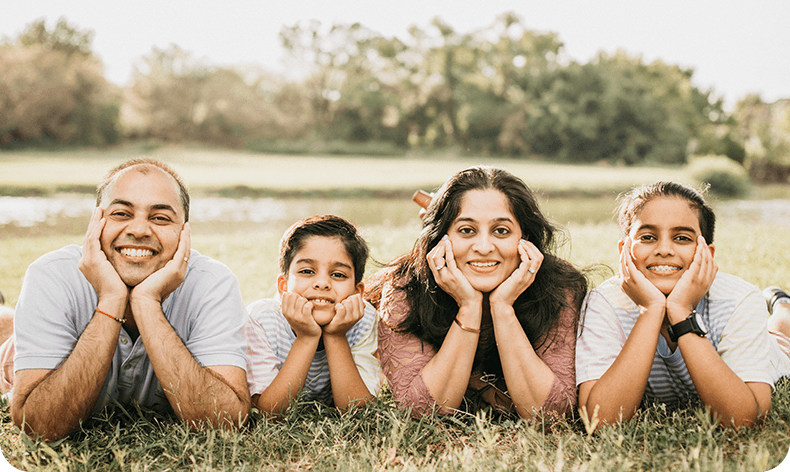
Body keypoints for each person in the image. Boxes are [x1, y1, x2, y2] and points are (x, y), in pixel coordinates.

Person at [1, 158, 251, 441]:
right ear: (96, 222)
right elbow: (39, 427)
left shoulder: (213, 282)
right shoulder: (50, 275)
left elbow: (225, 423)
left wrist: (146, 304)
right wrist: (111, 299)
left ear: (185, 232)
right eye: (121, 213)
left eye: (160, 218)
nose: (139, 230)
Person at [367, 166, 588, 420]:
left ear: (525, 238)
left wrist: (503, 307)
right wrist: (469, 307)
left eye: (501, 231)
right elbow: (421, 412)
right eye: (466, 230)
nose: (483, 247)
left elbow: (551, 414)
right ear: (441, 238)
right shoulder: (405, 289)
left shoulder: (559, 288)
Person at [576, 181, 790, 429]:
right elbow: (599, 422)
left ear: (707, 254)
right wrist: (651, 311)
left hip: (776, 351)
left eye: (681, 238)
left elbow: (742, 421)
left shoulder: (738, 299)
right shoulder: (605, 302)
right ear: (624, 250)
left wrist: (681, 312)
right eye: (647, 237)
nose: (664, 249)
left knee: (780, 335)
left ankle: (783, 305)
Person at [244, 215, 382, 415]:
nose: (322, 283)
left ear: (356, 293)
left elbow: (356, 412)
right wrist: (306, 337)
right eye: (307, 271)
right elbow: (269, 413)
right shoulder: (262, 320)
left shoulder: (363, 319)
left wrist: (336, 336)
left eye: (338, 275)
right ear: (283, 287)